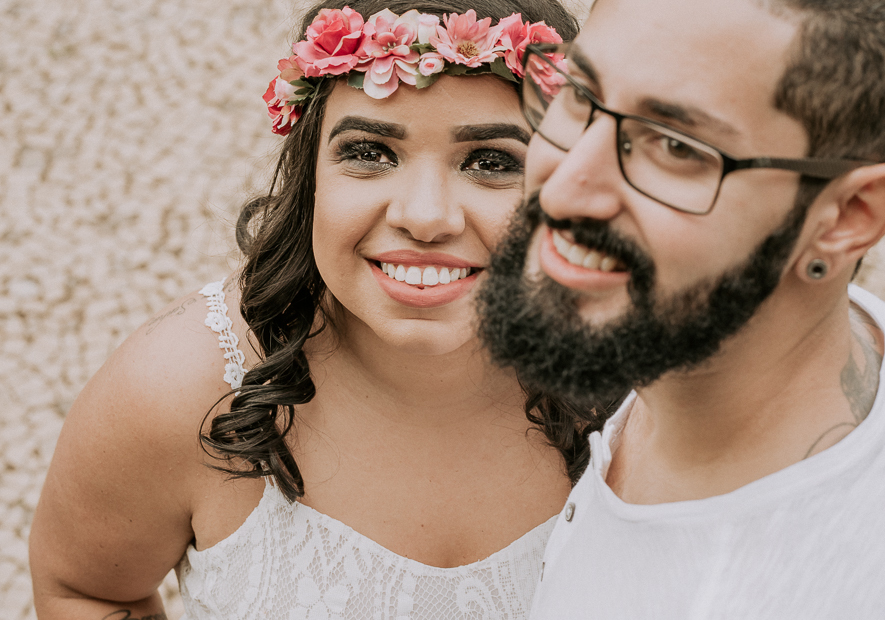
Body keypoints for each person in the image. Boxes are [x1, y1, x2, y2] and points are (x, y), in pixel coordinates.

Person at [28, 2, 593, 619]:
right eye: (371, 152)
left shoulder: (647, 392)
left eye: (492, 162)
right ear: (311, 174)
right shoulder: (179, 387)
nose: (425, 217)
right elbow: (85, 589)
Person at [477, 0, 885, 617]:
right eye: (579, 93)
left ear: (848, 217)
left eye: (675, 146)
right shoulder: (829, 327)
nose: (562, 189)